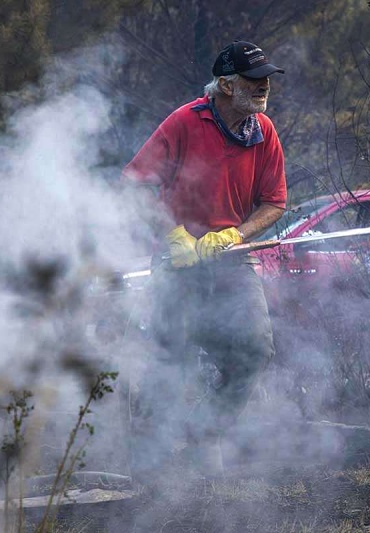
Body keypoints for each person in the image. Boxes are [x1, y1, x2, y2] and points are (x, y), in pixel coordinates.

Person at [121, 41, 287, 477]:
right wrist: (173, 235)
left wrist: (235, 235)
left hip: (231, 260)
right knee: (167, 360)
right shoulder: (184, 121)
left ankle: (203, 435)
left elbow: (274, 204)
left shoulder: (263, 131)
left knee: (254, 351)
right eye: (255, 80)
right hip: (177, 264)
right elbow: (134, 184)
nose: (265, 86)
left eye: (267, 78)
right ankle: (147, 473)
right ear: (228, 86)